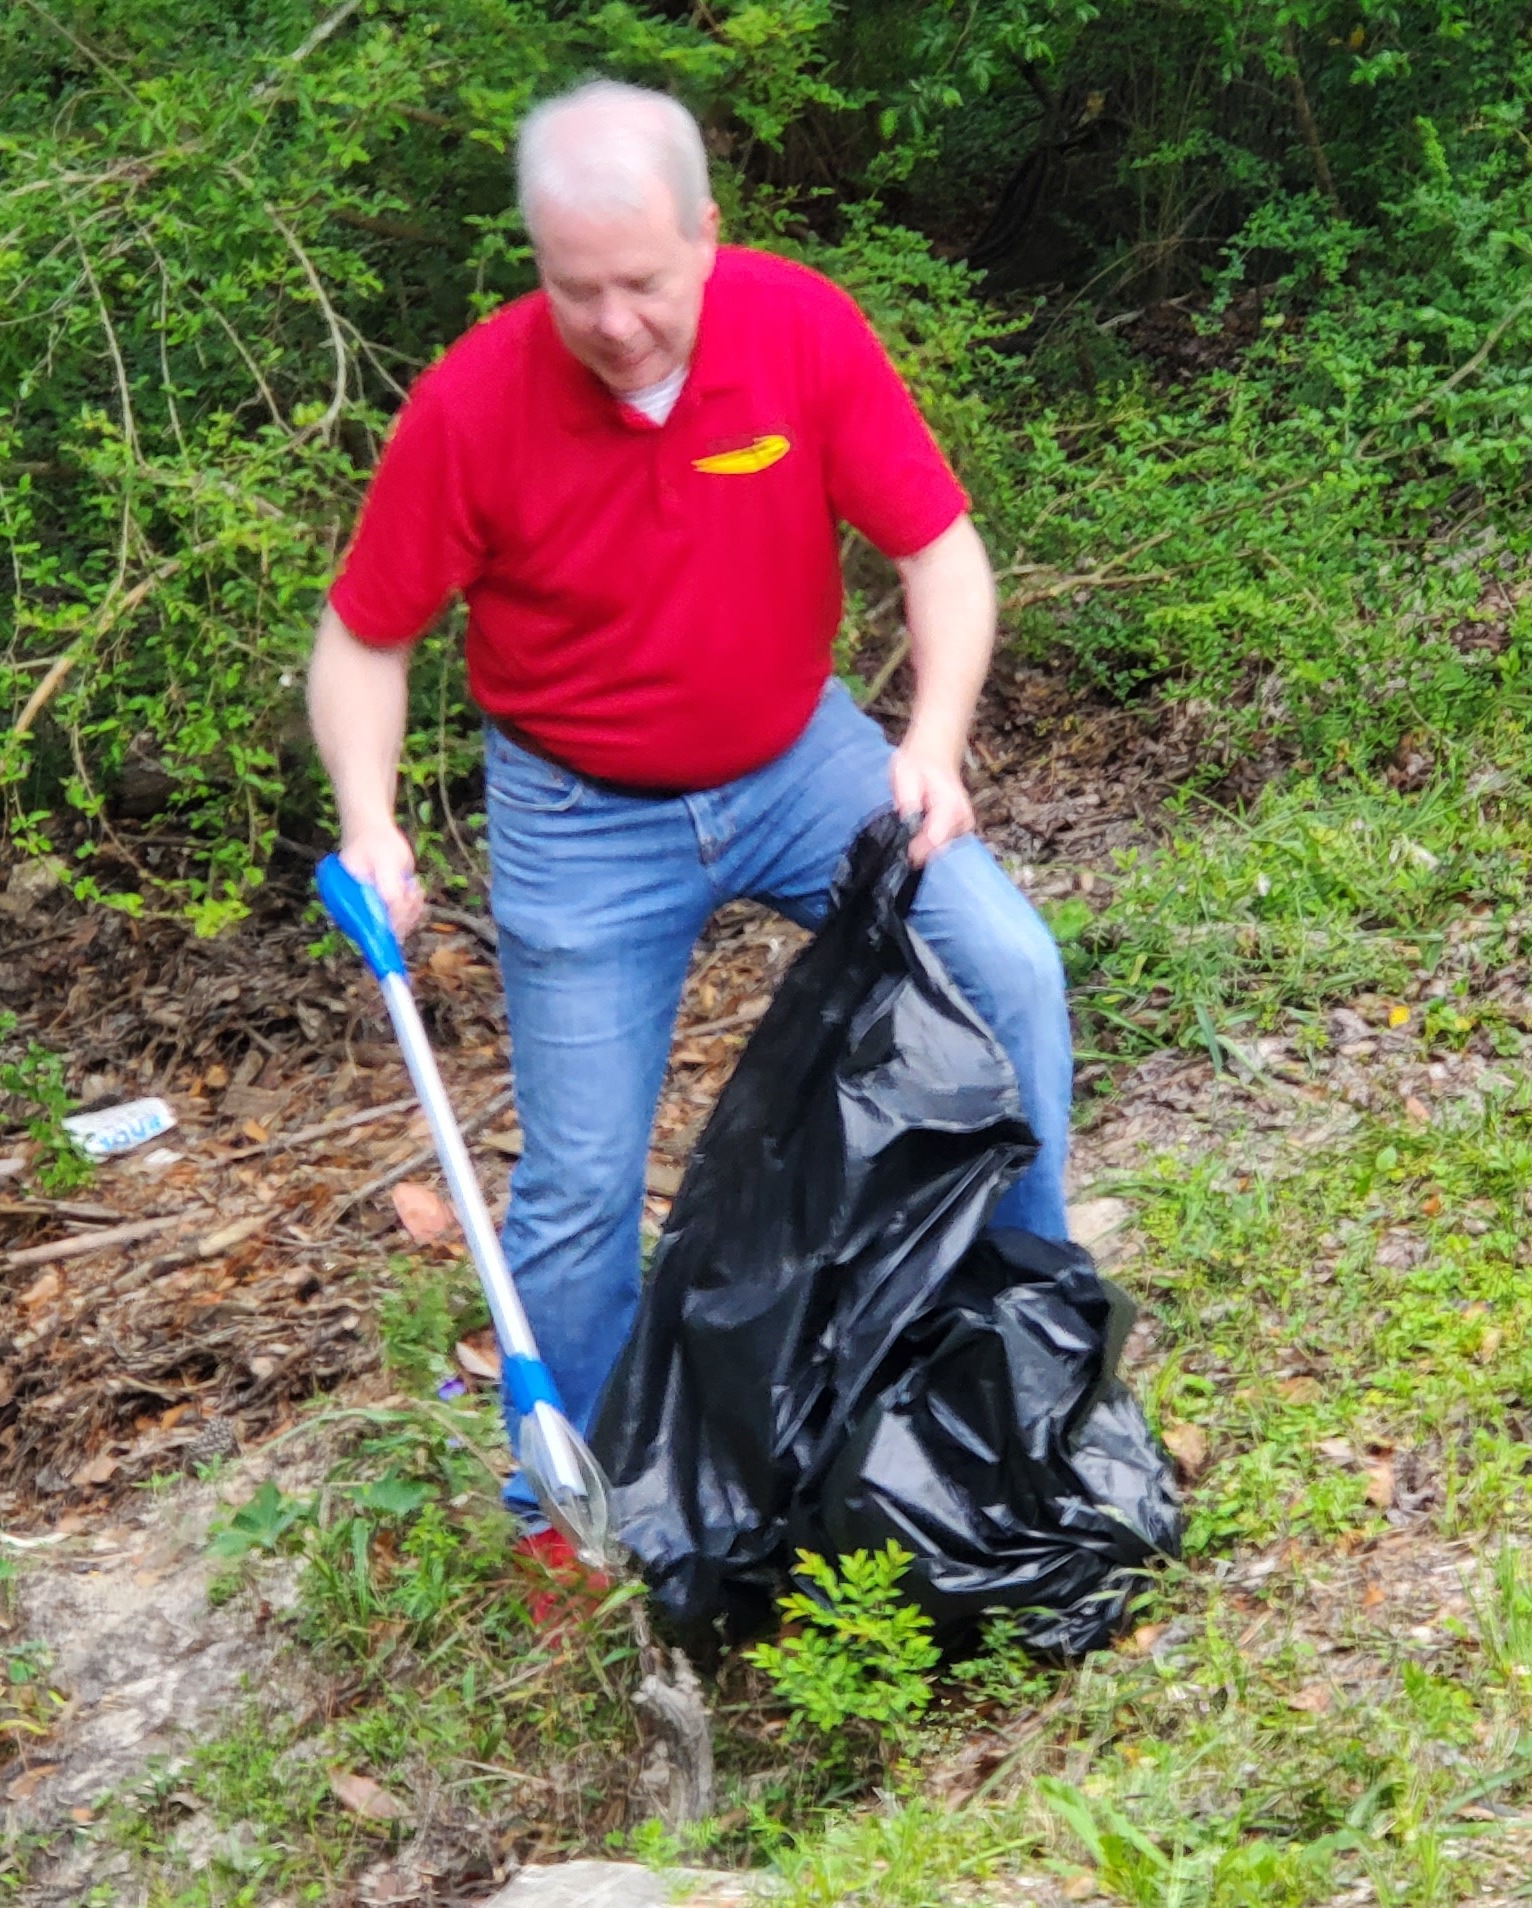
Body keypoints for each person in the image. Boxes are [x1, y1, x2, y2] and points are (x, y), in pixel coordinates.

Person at [306, 79, 1075, 1584]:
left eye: (646, 282)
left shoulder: (801, 330)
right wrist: (371, 825)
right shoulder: (471, 404)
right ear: (534, 260)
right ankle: (567, 1519)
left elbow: (940, 549)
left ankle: (1029, 1329)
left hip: (804, 760)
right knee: (582, 1188)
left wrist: (930, 743)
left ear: (708, 235)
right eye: (573, 286)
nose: (614, 322)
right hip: (580, 819)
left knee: (1011, 970)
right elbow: (362, 642)